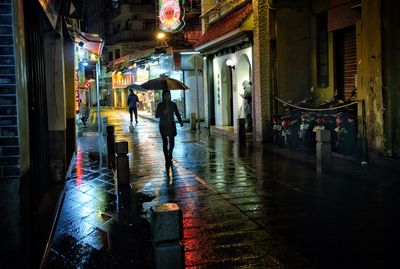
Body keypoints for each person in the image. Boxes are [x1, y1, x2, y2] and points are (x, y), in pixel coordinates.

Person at [155, 90, 183, 169]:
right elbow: (156, 115)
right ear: (163, 96)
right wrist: (163, 112)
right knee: (165, 142)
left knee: (172, 141)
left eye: (168, 95)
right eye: (165, 95)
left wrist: (180, 121)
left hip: (171, 125)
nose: (167, 96)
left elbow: (177, 113)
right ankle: (166, 158)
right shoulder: (160, 105)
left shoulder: (173, 104)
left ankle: (170, 153)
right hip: (163, 126)